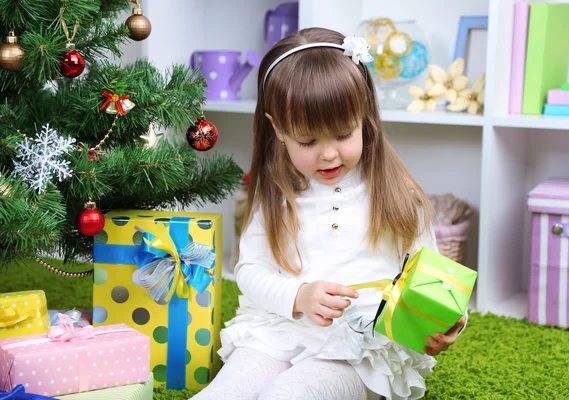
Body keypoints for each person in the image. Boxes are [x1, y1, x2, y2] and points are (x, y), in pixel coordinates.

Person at [192, 27, 467, 400]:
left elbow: (435, 280)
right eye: (308, 141)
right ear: (278, 130)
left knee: (287, 395)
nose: (329, 154)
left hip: (361, 347)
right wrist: (299, 296)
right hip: (280, 330)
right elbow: (250, 271)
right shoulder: (275, 193)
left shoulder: (400, 195)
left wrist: (449, 321)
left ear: (364, 115)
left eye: (342, 134)